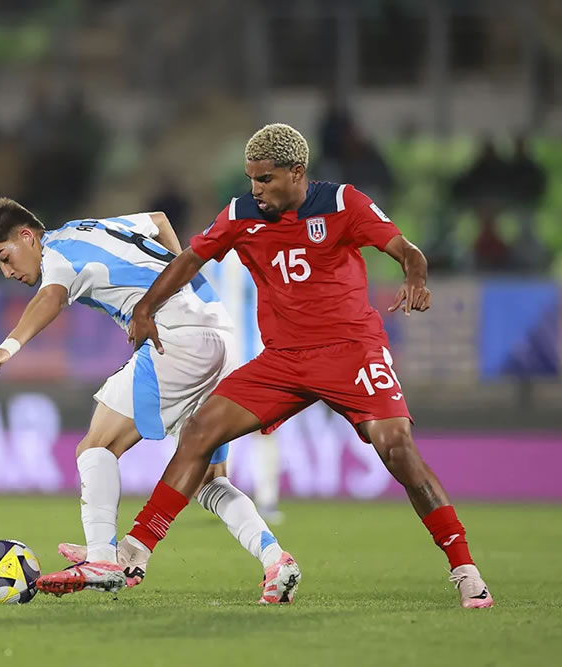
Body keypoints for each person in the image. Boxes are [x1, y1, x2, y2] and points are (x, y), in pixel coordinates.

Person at [94, 123, 492, 609]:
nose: (255, 190)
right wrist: (145, 307)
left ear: (296, 173)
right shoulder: (242, 214)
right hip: (283, 361)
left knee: (397, 447)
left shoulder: (344, 203)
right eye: (251, 179)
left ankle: (465, 567)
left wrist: (415, 277)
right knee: (199, 432)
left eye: (264, 179)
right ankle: (137, 548)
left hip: (351, 351)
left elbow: (406, 250)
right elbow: (191, 259)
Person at [0, 199, 301, 603]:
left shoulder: (56, 253)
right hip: (221, 334)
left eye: (5, 258)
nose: (8, 272)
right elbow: (159, 221)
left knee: (97, 446)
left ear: (26, 236)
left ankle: (104, 560)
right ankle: (275, 559)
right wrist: (180, 280)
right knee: (209, 479)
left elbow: (50, 298)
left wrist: (7, 348)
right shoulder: (88, 227)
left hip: (177, 338)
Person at [201, 250, 283, 524]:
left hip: (242, 354)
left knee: (243, 430)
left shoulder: (216, 258)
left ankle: (245, 499)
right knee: (236, 430)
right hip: (239, 353)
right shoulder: (256, 254)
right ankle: (239, 499)